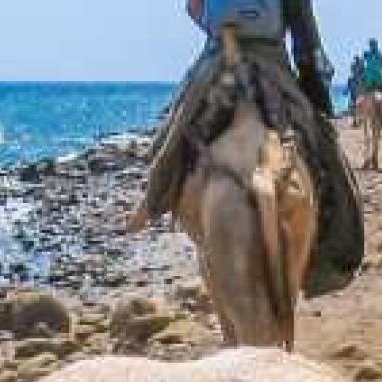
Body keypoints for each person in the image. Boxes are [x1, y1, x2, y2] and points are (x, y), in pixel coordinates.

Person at [144, 0, 364, 295]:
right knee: (320, 138)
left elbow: (193, 6)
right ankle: (335, 244)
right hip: (269, 57)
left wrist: (217, 26)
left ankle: (155, 196)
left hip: (217, 55)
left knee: (176, 127)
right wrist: (316, 83)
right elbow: (304, 32)